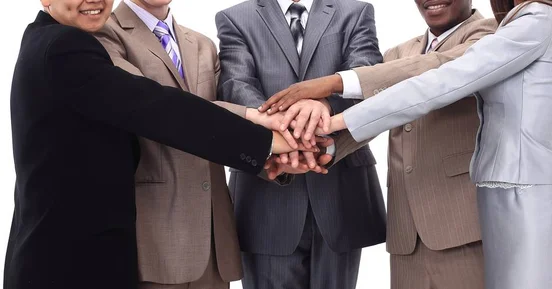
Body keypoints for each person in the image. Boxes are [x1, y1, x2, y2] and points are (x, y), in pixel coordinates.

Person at [264, 0, 552, 288]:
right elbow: (385, 112)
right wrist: (322, 148)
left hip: (471, 231)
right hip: (407, 239)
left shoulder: (502, 32)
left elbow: (437, 76)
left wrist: (525, 172)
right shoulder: (398, 54)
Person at [4, 1, 313, 289]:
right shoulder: (71, 44)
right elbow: (156, 109)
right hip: (72, 258)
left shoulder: (51, 40)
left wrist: (265, 156)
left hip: (186, 249)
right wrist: (264, 138)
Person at [93, 0, 298, 288]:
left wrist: (265, 161)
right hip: (154, 242)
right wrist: (261, 133)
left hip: (214, 241)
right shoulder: (103, 36)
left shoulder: (202, 44)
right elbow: (160, 111)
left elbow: (219, 128)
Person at [216, 0, 386, 288]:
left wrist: (323, 103)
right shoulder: (234, 18)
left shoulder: (356, 11)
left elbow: (366, 71)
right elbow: (235, 85)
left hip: (341, 190)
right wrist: (283, 136)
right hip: (266, 197)